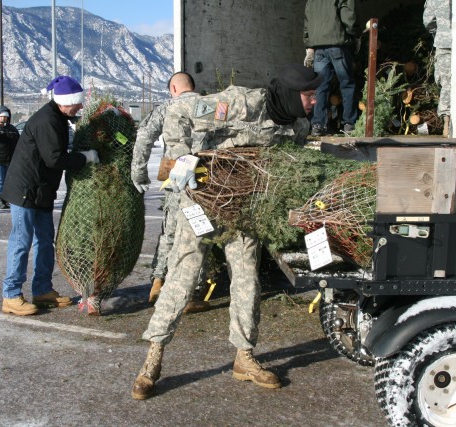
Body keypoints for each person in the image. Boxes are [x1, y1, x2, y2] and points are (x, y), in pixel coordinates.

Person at [131, 63, 320, 400]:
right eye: (308, 95)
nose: (314, 101)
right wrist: (182, 160)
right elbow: (178, 113)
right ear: (292, 94)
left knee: (247, 278)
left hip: (242, 208)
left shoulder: (298, 125)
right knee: (183, 276)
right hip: (203, 199)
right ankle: (152, 360)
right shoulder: (242, 103)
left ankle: (244, 357)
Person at [0, 75, 100, 316]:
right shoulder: (47, 121)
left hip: (41, 191)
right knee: (21, 241)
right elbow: (54, 159)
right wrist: (85, 157)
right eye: (77, 103)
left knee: (45, 241)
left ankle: (42, 289)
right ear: (65, 102)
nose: (80, 107)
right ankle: (11, 295)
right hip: (25, 190)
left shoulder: (58, 117)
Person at [130, 71, 210, 313]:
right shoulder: (207, 105)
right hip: (205, 180)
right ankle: (191, 293)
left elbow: (144, 137)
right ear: (193, 87)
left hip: (176, 179)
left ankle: (158, 282)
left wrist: (139, 173)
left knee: (169, 232)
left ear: (173, 89)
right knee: (200, 234)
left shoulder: (167, 107)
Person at [303, 0, 360, 136]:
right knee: (347, 84)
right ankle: (349, 124)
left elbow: (307, 23)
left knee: (321, 87)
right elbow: (349, 19)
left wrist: (308, 45)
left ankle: (317, 125)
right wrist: (356, 35)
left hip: (318, 49)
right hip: (337, 45)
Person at [423, 0, 452, 137]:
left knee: (446, 83)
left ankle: (447, 122)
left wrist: (442, 32)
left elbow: (429, 21)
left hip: (445, 43)